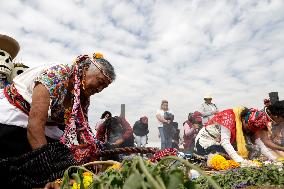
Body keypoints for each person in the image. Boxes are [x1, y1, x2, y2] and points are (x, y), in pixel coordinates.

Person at [0, 52, 116, 188]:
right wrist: (52, 175)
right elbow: (35, 127)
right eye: (100, 82)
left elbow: (83, 132)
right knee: (18, 166)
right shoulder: (57, 75)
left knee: (66, 161)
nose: (99, 89)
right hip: (16, 120)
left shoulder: (82, 96)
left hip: (47, 129)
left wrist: (94, 157)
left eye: (104, 87)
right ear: (85, 70)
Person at [194, 103, 284, 163]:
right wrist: (241, 162)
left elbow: (260, 143)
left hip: (218, 144)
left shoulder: (251, 124)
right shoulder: (229, 117)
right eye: (248, 127)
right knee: (224, 159)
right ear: (243, 120)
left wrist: (274, 159)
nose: (248, 131)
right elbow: (225, 142)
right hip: (205, 143)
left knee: (238, 156)